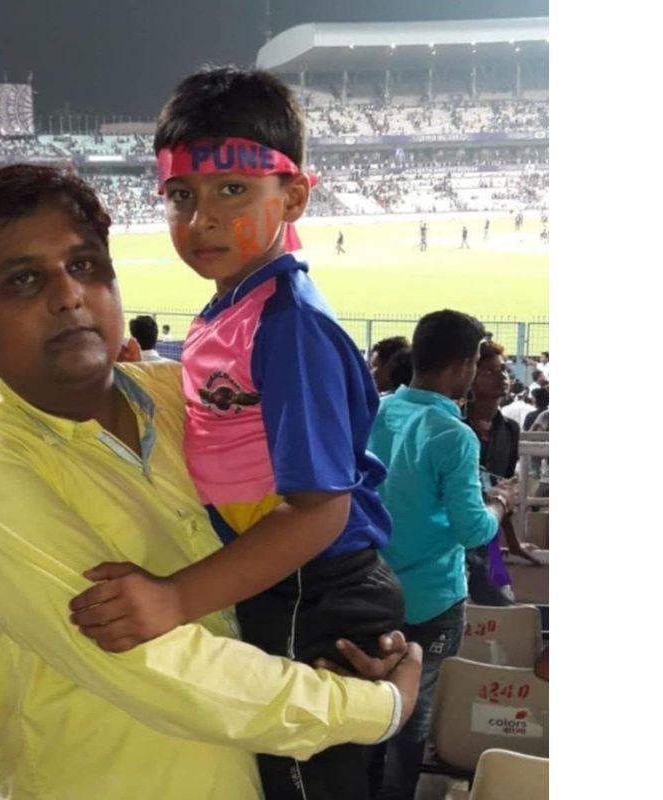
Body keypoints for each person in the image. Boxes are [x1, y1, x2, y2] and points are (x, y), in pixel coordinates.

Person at [0, 164, 422, 800]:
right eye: (24, 280)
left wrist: (347, 645)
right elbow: (159, 667)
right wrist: (374, 706)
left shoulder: (182, 395)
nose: (69, 296)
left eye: (85, 266)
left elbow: (313, 513)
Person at [131, 66, 407, 800]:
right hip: (288, 579)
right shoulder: (234, 307)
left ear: (293, 197)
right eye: (180, 195)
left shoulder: (289, 325)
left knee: (297, 775)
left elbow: (321, 511)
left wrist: (174, 599)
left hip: (314, 588)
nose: (202, 218)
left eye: (232, 190)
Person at [367, 310, 519, 800]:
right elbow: (473, 529)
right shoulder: (453, 435)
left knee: (367, 706)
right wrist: (500, 502)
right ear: (464, 365)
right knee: (411, 715)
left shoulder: (376, 410)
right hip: (430, 599)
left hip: (367, 587)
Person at [463, 342, 539, 607]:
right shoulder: (453, 426)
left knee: (502, 604)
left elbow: (505, 490)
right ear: (469, 377)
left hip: (489, 540)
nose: (502, 377)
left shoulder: (509, 429)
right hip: (454, 536)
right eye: (489, 371)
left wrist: (514, 543)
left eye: (503, 370)